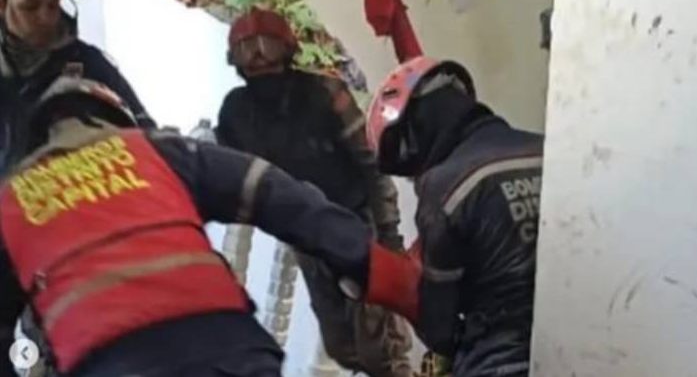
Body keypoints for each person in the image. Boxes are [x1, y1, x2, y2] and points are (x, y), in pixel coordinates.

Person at [0, 77, 404, 377]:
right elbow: (280, 196)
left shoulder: (13, 199)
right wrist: (391, 276)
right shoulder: (159, 151)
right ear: (120, 121)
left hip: (109, 362)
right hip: (227, 350)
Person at [217, 7, 412, 377]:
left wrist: (387, 233)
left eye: (267, 47)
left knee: (381, 345)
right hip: (305, 237)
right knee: (341, 345)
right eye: (247, 50)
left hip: (357, 227)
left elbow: (370, 163)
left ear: (287, 49)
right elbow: (225, 171)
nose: (259, 59)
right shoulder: (235, 112)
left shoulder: (325, 92)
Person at [360, 56, 545, 377]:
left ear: (413, 135)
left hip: (500, 362)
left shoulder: (445, 189)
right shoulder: (545, 149)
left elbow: (440, 329)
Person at [0, 0, 154, 177]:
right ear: (2, 3)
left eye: (53, 5)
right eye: (30, 7)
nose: (46, 18)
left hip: (87, 190)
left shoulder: (86, 62)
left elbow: (146, 132)